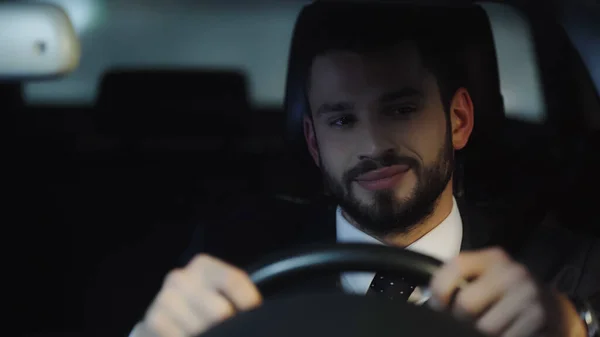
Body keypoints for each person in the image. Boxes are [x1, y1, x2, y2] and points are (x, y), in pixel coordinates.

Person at [126, 3, 599, 337]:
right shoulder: (233, 261)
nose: (373, 145)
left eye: (400, 110)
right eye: (342, 120)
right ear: (313, 140)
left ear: (458, 120)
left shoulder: (560, 270)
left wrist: (575, 328)